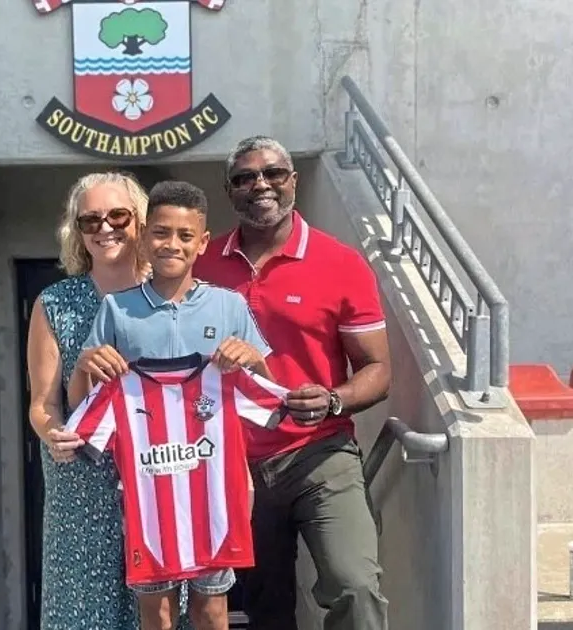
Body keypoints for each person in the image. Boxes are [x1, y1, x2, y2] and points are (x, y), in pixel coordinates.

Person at [194, 136, 394, 630]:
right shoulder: (202, 265)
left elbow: (378, 370)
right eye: (244, 177)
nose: (260, 184)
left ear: (293, 181)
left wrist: (333, 399)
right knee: (266, 607)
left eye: (273, 173)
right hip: (233, 462)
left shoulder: (341, 263)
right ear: (229, 191)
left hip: (319, 455)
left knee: (355, 586)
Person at [67, 180, 274, 630]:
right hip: (146, 491)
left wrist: (254, 359)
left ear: (203, 243)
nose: (171, 244)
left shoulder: (229, 306)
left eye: (185, 236)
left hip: (215, 488)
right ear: (143, 236)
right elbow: (85, 410)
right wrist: (84, 366)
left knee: (213, 607)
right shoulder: (117, 312)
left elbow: (268, 399)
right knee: (155, 611)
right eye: (160, 233)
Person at [25, 171, 151, 630]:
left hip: (159, 477)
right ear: (76, 232)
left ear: (140, 221)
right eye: (90, 220)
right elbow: (43, 401)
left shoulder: (173, 294)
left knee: (160, 612)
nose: (105, 228)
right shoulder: (54, 303)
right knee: (85, 613)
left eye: (117, 215)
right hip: (81, 487)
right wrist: (51, 432)